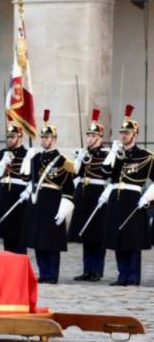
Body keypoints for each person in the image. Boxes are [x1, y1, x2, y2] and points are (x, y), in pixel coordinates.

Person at [102, 104, 153, 286]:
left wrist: (147, 197)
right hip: (116, 197)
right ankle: (122, 275)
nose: (123, 135)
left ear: (135, 136)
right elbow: (104, 172)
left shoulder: (146, 156)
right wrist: (113, 154)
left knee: (133, 239)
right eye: (122, 133)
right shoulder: (117, 154)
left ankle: (132, 276)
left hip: (133, 199)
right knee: (118, 238)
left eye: (127, 133)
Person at [22, 110, 75, 284]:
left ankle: (52, 274)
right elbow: (25, 178)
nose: (43, 140)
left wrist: (64, 208)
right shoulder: (36, 158)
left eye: (47, 138)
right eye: (42, 138)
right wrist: (26, 161)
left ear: (54, 139)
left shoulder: (63, 162)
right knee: (38, 240)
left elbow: (68, 188)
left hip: (53, 202)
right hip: (37, 202)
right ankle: (43, 273)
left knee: (51, 241)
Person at [68, 109, 111, 281]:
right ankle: (87, 270)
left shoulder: (106, 154)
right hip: (83, 195)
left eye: (93, 136)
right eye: (88, 136)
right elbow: (75, 174)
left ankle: (97, 270)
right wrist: (79, 159)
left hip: (98, 194)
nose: (90, 139)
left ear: (100, 137)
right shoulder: (83, 153)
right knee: (85, 234)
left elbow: (108, 174)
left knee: (98, 235)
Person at [0, 121, 28, 254]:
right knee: (7, 237)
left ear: (19, 137)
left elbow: (29, 177)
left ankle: (20, 268)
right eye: (8, 137)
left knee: (19, 237)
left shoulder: (26, 154)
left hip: (19, 198)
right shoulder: (1, 154)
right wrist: (3, 162)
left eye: (12, 137)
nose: (9, 140)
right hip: (4, 198)